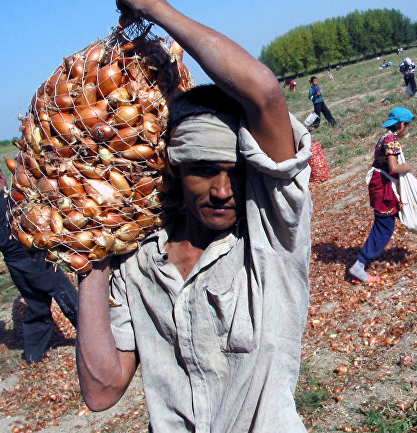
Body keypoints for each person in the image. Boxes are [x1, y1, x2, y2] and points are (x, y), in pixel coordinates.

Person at [77, 1, 313, 432]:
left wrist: (151, 7)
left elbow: (264, 92)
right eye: (203, 170)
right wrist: (89, 259)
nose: (223, 192)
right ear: (174, 169)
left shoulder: (269, 238)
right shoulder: (139, 264)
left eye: (234, 173)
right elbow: (101, 391)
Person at [348, 107, 417, 284]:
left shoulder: (385, 137)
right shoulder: (391, 141)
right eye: (407, 126)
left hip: (384, 184)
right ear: (401, 125)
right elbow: (393, 167)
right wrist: (407, 167)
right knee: (384, 228)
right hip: (383, 187)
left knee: (409, 211)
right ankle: (359, 265)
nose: (406, 129)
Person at [0, 163, 78, 364]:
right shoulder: (13, 198)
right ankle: (93, 337)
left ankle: (32, 354)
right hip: (33, 258)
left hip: (15, 266)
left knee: (37, 306)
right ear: (0, 176)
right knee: (67, 297)